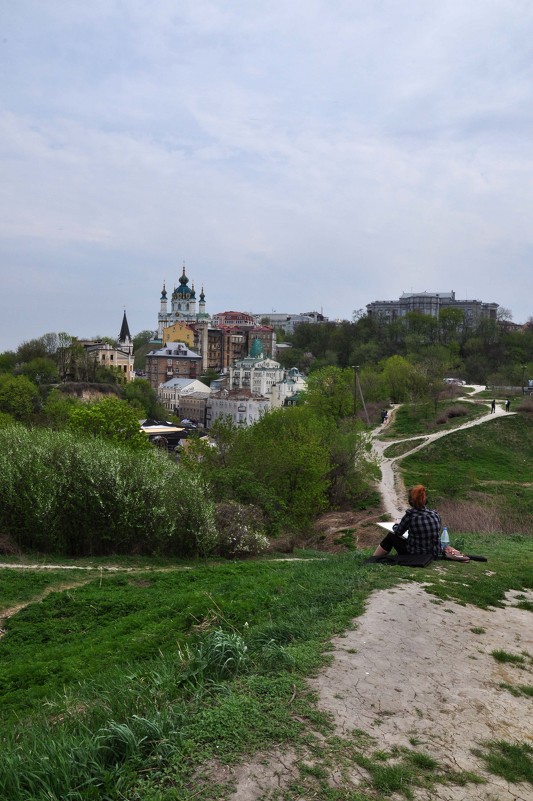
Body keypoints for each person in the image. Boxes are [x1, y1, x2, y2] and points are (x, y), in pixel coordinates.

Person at [372, 484, 470, 562]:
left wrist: (395, 524)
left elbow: (398, 532)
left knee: (391, 536)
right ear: (425, 500)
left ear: (411, 502)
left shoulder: (410, 516)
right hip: (433, 553)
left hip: (416, 554)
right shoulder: (435, 514)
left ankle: (374, 558)